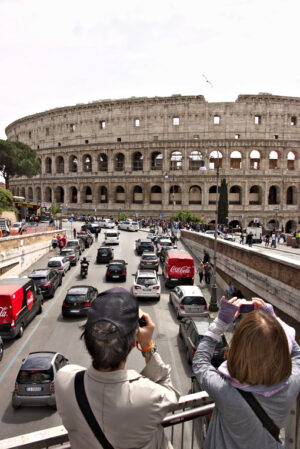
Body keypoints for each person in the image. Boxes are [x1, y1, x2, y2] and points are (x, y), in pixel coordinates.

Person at [56, 287, 179, 449]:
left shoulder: (64, 380)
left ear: (87, 339)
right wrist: (147, 346)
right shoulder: (148, 396)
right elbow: (170, 392)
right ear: (134, 342)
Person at [192, 296, 300, 449]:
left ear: (237, 349)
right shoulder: (291, 385)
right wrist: (273, 321)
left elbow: (200, 362)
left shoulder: (224, 390)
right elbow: (297, 354)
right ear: (280, 350)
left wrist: (221, 322)